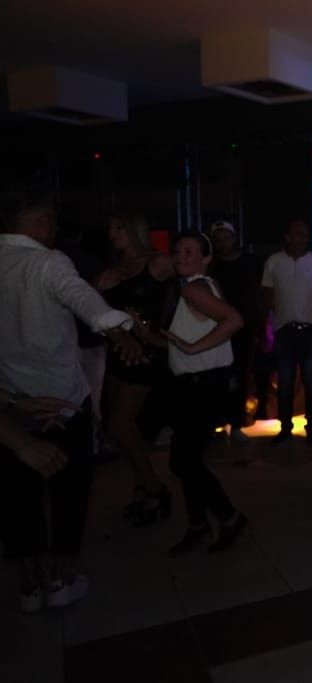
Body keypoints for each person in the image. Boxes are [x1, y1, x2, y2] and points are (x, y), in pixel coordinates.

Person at [0, 187, 143, 611]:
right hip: (62, 400)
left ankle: (30, 586)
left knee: (19, 498)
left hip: (10, 405)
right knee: (70, 493)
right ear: (42, 223)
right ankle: (62, 580)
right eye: (53, 222)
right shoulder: (48, 262)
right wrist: (118, 330)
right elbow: (82, 298)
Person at [136, 231, 248, 554]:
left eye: (189, 251)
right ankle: (199, 525)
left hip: (202, 387)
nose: (180, 257)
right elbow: (181, 343)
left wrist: (193, 347)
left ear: (206, 258)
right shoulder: (202, 286)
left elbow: (234, 320)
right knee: (187, 460)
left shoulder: (194, 289)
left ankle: (228, 517)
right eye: (177, 251)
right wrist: (149, 337)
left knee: (183, 461)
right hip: (198, 385)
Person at [94, 211, 176, 525]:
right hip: (117, 350)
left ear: (132, 229)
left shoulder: (156, 263)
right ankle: (142, 485)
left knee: (120, 425)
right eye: (111, 228)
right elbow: (93, 309)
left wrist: (160, 335)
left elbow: (184, 289)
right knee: (120, 428)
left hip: (145, 352)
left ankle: (155, 488)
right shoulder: (115, 269)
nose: (112, 234)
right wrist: (99, 289)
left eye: (118, 228)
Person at [260, 219, 312, 444]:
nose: (304, 238)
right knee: (285, 383)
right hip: (284, 330)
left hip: (311, 331)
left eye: (306, 234)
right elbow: (267, 297)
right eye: (299, 233)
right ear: (288, 236)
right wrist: (263, 329)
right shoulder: (274, 262)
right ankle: (285, 428)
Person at [209, 219, 262, 444]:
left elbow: (260, 293)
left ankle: (237, 423)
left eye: (226, 238)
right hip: (217, 328)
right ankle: (217, 423)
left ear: (235, 238)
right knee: (217, 376)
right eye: (218, 239)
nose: (223, 243)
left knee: (240, 375)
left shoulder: (251, 262)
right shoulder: (211, 266)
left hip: (245, 328)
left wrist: (261, 324)